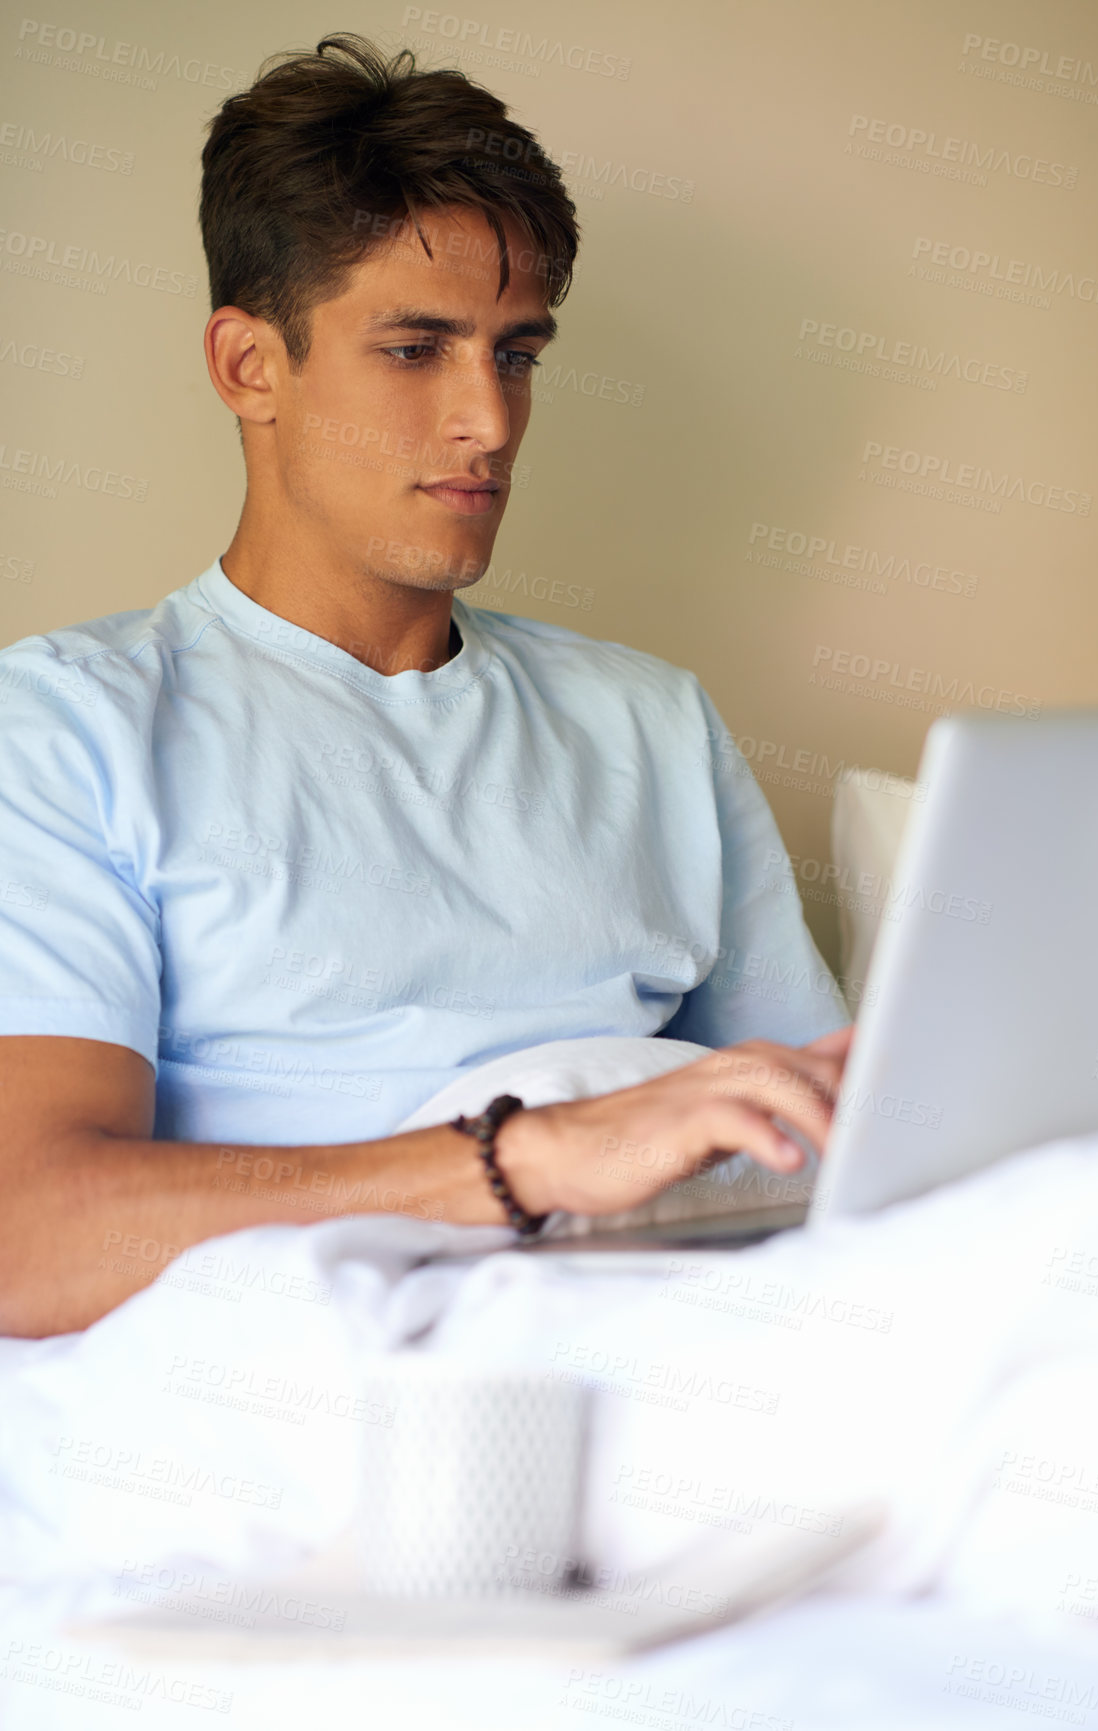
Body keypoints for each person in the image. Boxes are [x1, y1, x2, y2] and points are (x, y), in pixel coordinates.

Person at [0, 35, 851, 1338]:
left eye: (516, 355)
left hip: (687, 1322)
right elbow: (33, 1239)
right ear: (250, 366)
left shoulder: (650, 721)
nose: (490, 422)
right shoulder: (70, 729)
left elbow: (830, 1131)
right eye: (416, 350)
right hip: (341, 1371)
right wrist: (518, 1161)